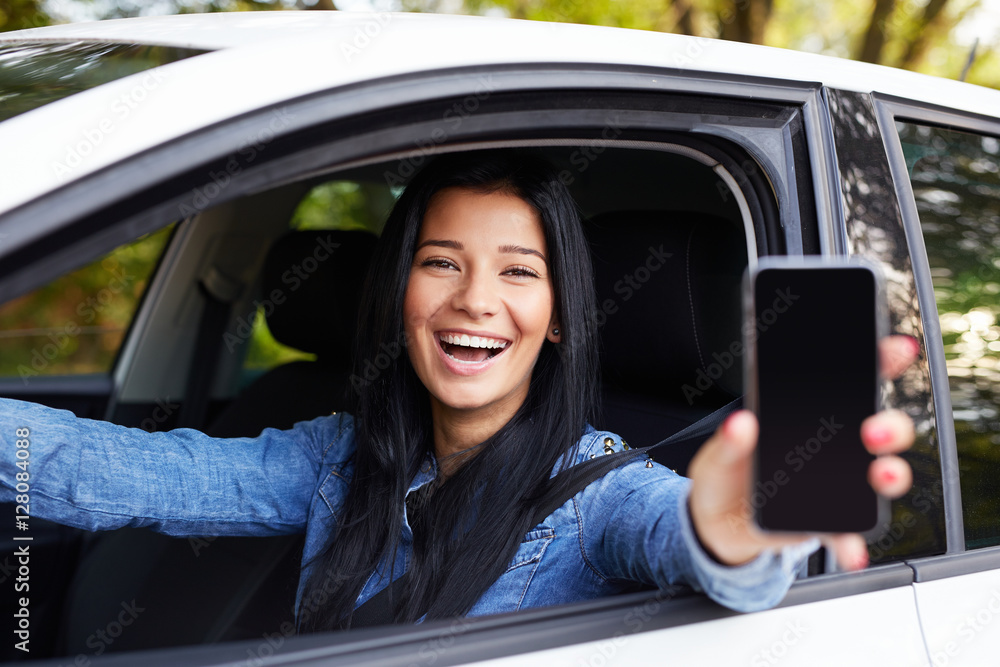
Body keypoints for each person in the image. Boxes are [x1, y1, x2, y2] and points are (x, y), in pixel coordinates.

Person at [0, 150, 917, 634]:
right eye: (441, 262)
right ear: (403, 290)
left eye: (519, 271)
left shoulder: (599, 495)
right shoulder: (335, 453)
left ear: (559, 315)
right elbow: (124, 472)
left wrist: (733, 525)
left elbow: (690, 539)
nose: (475, 300)